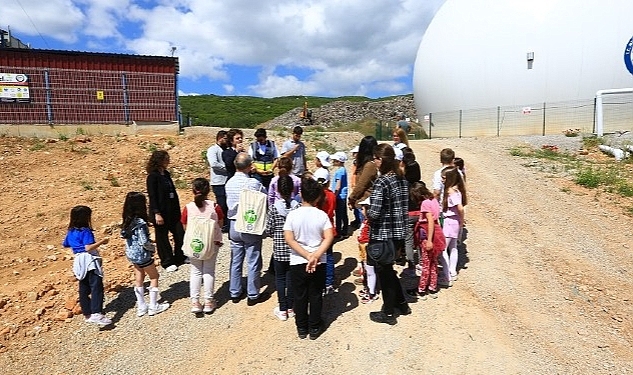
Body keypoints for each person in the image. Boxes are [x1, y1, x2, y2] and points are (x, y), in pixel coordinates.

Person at [283, 177, 334, 340]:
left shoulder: (293, 215)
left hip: (298, 260)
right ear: (318, 196)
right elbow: (329, 236)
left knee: (300, 294)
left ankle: (302, 327)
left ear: (301, 194)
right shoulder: (322, 216)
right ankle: (315, 326)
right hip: (318, 261)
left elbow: (289, 238)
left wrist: (306, 255)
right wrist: (315, 256)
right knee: (316, 293)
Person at [366, 144, 410, 325]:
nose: (374, 161)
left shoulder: (382, 182)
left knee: (384, 272)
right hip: (399, 232)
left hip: (383, 233)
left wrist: (366, 211)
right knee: (389, 269)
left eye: (375, 158)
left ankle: (389, 311)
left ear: (381, 160)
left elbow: (375, 213)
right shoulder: (402, 179)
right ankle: (401, 303)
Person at [225, 152, 268, 305]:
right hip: (249, 223)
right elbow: (265, 196)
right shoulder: (253, 183)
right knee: (253, 259)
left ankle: (235, 291)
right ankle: (253, 293)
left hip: (233, 223)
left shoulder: (228, 183)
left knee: (236, 260)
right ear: (249, 167)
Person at [121, 192, 170, 317]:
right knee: (154, 276)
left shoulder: (127, 221)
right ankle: (154, 306)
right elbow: (144, 241)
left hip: (132, 254)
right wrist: (152, 248)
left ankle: (141, 306)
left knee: (139, 277)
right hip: (143, 254)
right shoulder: (140, 223)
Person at [63, 205, 111, 326]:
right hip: (88, 260)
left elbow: (66, 244)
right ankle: (97, 313)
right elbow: (88, 247)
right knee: (96, 286)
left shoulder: (71, 231)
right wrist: (102, 241)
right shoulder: (85, 231)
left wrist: (76, 245)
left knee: (83, 286)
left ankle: (87, 313)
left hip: (78, 260)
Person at [181, 178, 224, 314]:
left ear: (193, 190)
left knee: (195, 271)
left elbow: (184, 225)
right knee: (208, 271)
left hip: (194, 244)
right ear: (208, 191)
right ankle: (209, 301)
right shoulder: (214, 207)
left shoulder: (188, 207)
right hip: (211, 243)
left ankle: (195, 302)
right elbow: (220, 224)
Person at [266, 175, 300, 321]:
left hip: (279, 250)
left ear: (278, 189)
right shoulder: (297, 207)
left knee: (280, 279)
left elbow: (268, 229)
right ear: (292, 188)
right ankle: (291, 307)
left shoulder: (274, 208)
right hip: (294, 249)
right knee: (291, 278)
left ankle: (282, 309)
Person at [146, 150, 186, 272]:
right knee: (162, 237)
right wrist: (157, 213)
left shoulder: (166, 174)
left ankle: (180, 256)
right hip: (161, 211)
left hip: (172, 210)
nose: (168, 161)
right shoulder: (152, 177)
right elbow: (152, 196)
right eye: (166, 159)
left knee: (179, 233)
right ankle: (167, 261)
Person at [409, 182, 446, 299]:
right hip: (436, 234)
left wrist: (429, 240)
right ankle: (432, 287)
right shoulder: (433, 200)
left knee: (426, 264)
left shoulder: (424, 203)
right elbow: (436, 219)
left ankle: (421, 289)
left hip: (427, 237)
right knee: (433, 263)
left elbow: (430, 220)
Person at [313, 168, 337, 295]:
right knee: (329, 256)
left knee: (317, 255)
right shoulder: (331, 195)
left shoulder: (315, 196)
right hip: (329, 229)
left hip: (317, 230)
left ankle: (319, 281)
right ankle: (329, 282)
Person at [441, 167, 467, 284]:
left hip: (450, 222)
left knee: (442, 249)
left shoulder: (451, 192)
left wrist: (462, 220)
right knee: (453, 247)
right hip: (454, 221)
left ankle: (447, 277)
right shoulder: (457, 191)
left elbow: (460, 208)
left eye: (444, 178)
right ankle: (452, 271)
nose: (442, 180)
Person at [207, 130, 229, 232]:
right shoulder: (213, 150)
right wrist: (227, 168)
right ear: (220, 138)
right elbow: (214, 163)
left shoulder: (226, 150)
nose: (227, 140)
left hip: (227, 180)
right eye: (225, 138)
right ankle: (222, 224)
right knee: (222, 204)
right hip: (218, 182)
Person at [330, 151, 349, 238]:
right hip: (343, 195)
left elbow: (338, 185)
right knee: (344, 213)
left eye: (335, 160)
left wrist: (334, 194)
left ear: (339, 161)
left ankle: (338, 232)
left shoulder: (339, 172)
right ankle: (345, 230)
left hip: (339, 196)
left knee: (338, 214)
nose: (333, 161)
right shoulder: (343, 170)